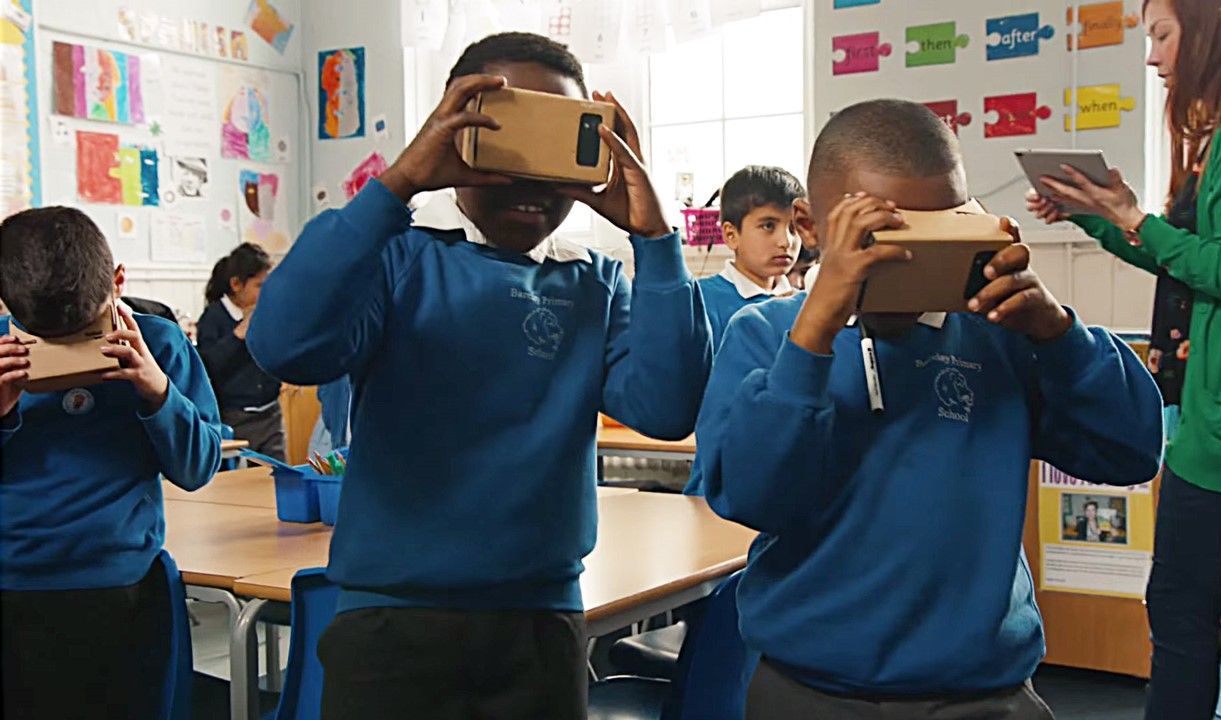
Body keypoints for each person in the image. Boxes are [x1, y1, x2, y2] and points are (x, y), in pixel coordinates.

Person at [245, 32, 712, 719]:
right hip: (392, 621)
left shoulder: (591, 279)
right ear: (455, 133)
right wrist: (398, 183)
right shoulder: (399, 255)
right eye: (507, 142)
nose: (530, 183)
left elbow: (667, 407)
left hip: (540, 624)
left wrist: (656, 241)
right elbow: (284, 345)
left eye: (555, 149)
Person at [698, 99, 1164, 720]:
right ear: (811, 226)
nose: (914, 256)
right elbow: (749, 496)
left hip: (984, 695)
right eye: (883, 234)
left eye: (943, 227)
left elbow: (1130, 451)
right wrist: (815, 332)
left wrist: (1057, 333)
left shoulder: (998, 334)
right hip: (812, 690)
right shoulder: (766, 336)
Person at [1026, 0, 1221, 715]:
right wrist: (1102, 218)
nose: (1153, 56)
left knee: (1179, 612)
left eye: (1163, 35)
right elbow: (1193, 263)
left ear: (1212, 28)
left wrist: (1133, 217)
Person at [0, 206, 222, 720]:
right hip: (14, 588)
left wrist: (158, 392)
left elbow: (198, 468)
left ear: (119, 282)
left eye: (87, 331)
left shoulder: (160, 343)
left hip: (123, 588)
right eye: (45, 338)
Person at [698, 166, 804, 349]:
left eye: (794, 228)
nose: (786, 242)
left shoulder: (804, 304)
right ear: (731, 235)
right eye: (768, 226)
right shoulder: (701, 301)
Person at [197, 242, 284, 458]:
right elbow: (207, 367)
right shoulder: (213, 317)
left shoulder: (266, 313)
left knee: (278, 472)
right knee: (243, 477)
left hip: (271, 413)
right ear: (236, 284)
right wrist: (238, 335)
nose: (266, 292)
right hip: (236, 419)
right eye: (259, 285)